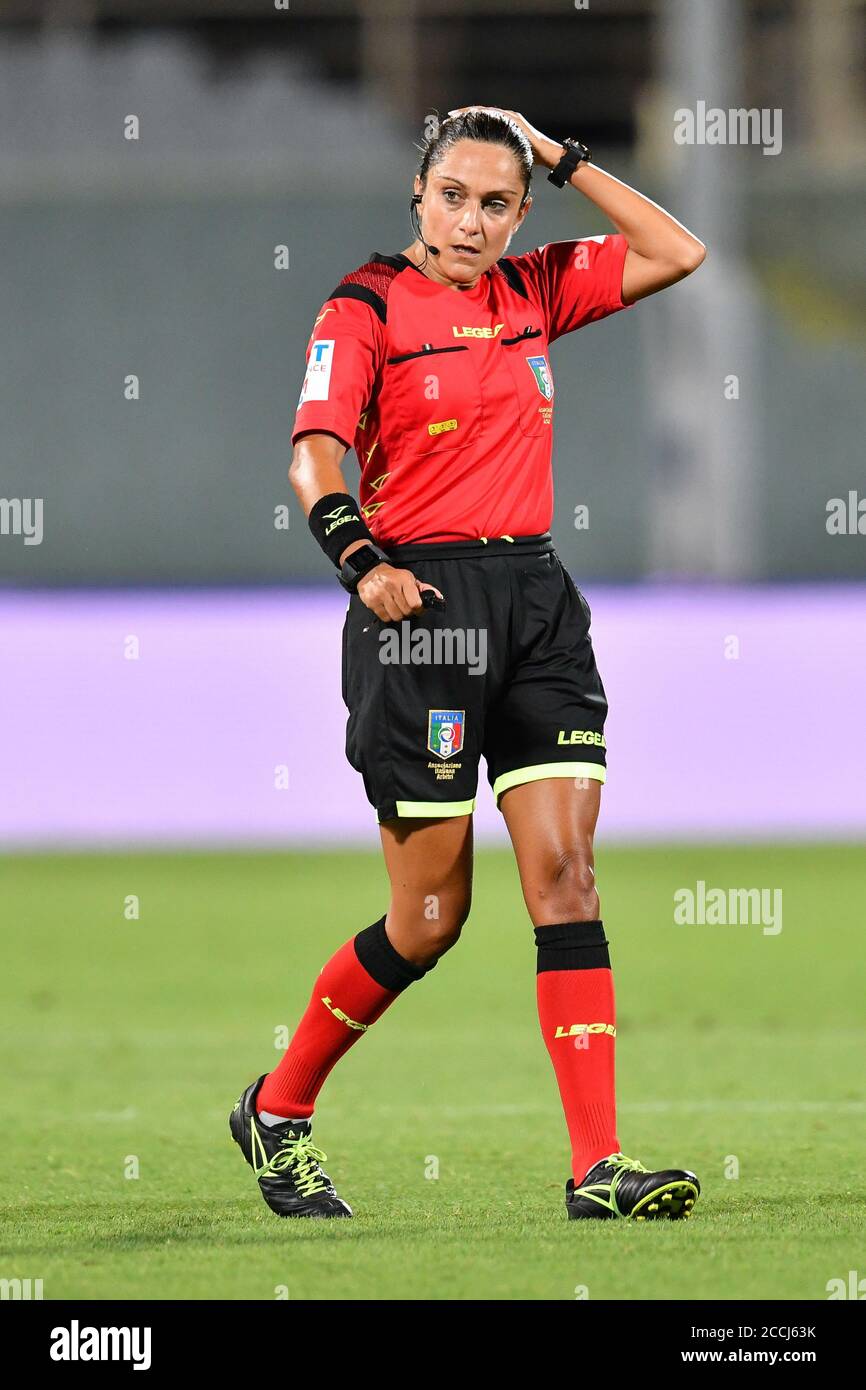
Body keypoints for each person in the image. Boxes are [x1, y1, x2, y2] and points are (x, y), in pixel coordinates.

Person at [230, 107, 707, 1221]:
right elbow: (314, 451)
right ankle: (280, 1106)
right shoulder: (362, 306)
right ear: (418, 194)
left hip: (535, 606)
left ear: (519, 211)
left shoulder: (532, 289)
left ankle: (597, 1169)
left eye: (496, 201)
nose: (470, 220)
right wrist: (359, 561)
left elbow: (675, 251)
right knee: (429, 920)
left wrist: (566, 156)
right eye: (452, 194)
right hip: (422, 614)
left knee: (565, 878)